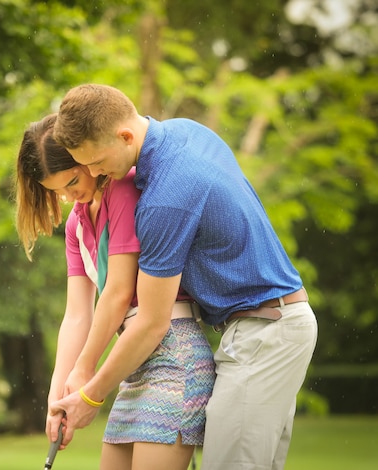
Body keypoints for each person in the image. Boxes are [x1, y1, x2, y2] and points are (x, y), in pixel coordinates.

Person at [50, 84, 318, 470]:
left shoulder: (165, 198)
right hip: (267, 325)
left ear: (125, 136)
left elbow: (152, 324)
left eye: (95, 161)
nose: (93, 174)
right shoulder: (184, 130)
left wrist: (91, 397)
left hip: (266, 332)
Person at [15, 113, 215, 470]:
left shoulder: (123, 191)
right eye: (57, 190)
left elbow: (119, 292)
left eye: (73, 180)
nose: (68, 195)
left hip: (173, 352)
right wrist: (57, 392)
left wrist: (85, 369)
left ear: (86, 159)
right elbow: (77, 314)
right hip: (131, 363)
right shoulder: (77, 223)